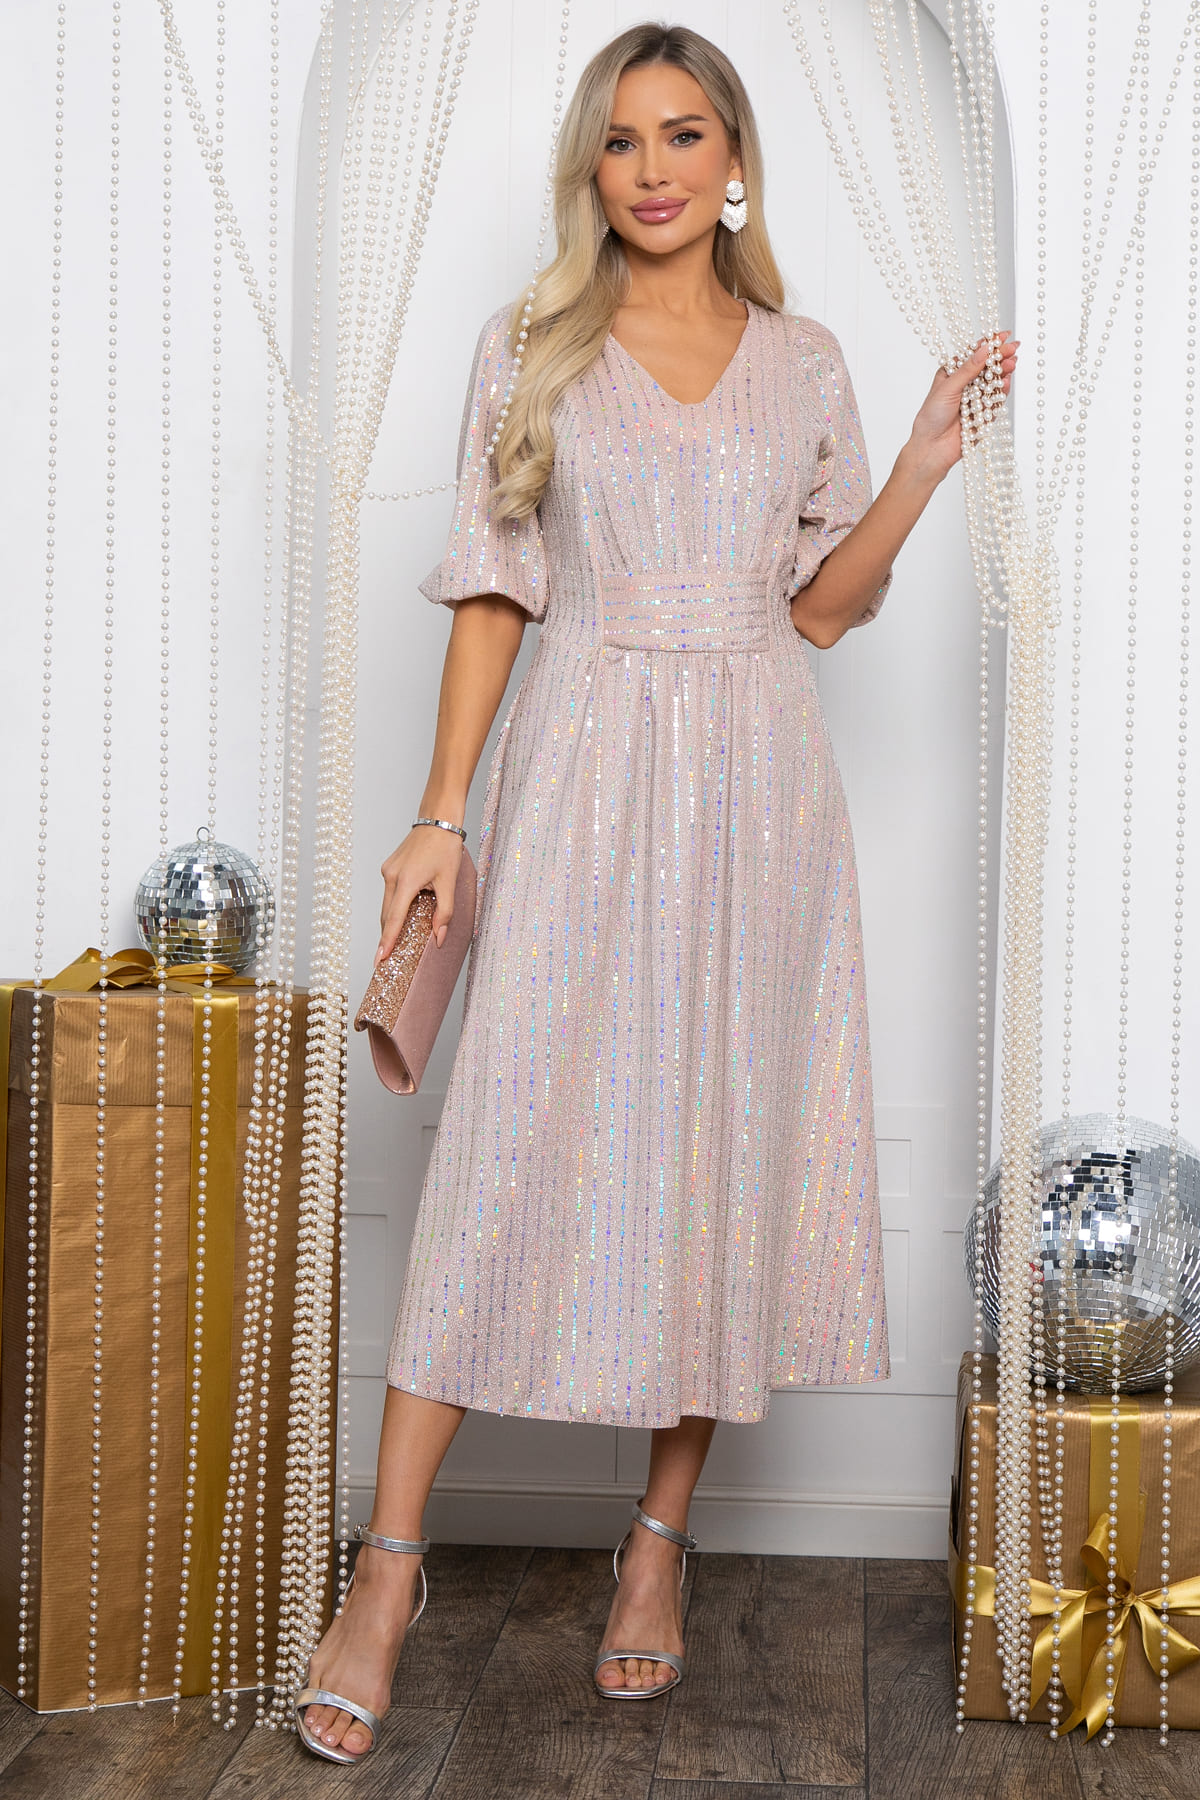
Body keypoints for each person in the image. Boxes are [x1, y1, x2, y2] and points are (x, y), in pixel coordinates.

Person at [294, 20, 1018, 1766]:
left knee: (715, 1157)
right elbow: (495, 585)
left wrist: (923, 463)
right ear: (592, 170)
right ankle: (387, 1569)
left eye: (685, 134)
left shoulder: (806, 361)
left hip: (762, 801)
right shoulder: (533, 344)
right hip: (580, 773)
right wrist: (440, 814)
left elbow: (821, 610)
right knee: (500, 1151)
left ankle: (655, 1545)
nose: (654, 168)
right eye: (622, 141)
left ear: (735, 159)